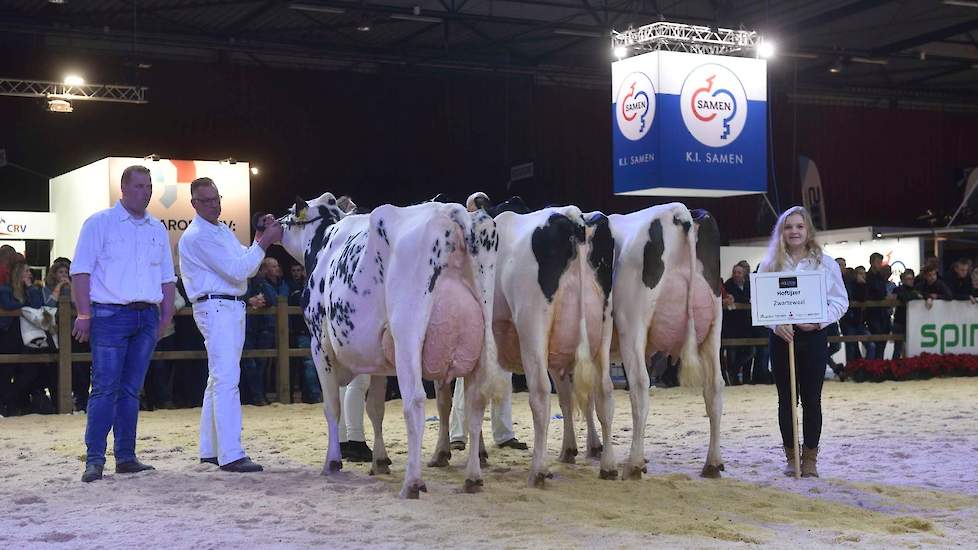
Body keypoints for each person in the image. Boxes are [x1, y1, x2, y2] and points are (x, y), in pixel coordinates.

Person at [70, 165, 177, 482]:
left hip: (146, 316)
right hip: (109, 314)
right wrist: (84, 314)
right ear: (123, 188)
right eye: (139, 186)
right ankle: (95, 459)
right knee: (104, 388)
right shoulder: (99, 223)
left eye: (148, 186)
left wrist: (166, 316)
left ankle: (126, 457)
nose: (145, 191)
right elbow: (81, 271)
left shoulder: (157, 228)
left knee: (130, 390)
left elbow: (168, 279)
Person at [178, 177, 282, 473]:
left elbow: (242, 260)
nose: (215, 204)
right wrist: (264, 242)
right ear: (194, 204)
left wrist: (258, 236)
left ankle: (210, 450)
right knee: (226, 379)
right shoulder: (198, 236)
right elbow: (242, 268)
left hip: (227, 306)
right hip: (216, 306)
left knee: (218, 379)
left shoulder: (220, 230)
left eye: (216, 198)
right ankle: (231, 454)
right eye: (207, 200)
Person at [758, 206, 847, 478]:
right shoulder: (769, 263)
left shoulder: (825, 263)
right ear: (781, 232)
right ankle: (790, 457)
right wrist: (776, 324)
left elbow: (841, 301)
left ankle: (810, 458)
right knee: (786, 400)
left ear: (808, 230)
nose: (794, 231)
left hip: (813, 338)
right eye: (788, 227)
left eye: (799, 226)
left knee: (812, 400)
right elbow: (760, 303)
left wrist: (819, 321)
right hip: (781, 339)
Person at [721, 263, 754, 385]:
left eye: (739, 272)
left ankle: (739, 374)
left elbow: (748, 298)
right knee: (732, 352)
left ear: (744, 274)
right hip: (732, 324)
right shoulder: (728, 285)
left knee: (750, 351)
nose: (736, 274)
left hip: (746, 323)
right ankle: (733, 377)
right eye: (734, 272)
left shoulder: (748, 285)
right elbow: (730, 299)